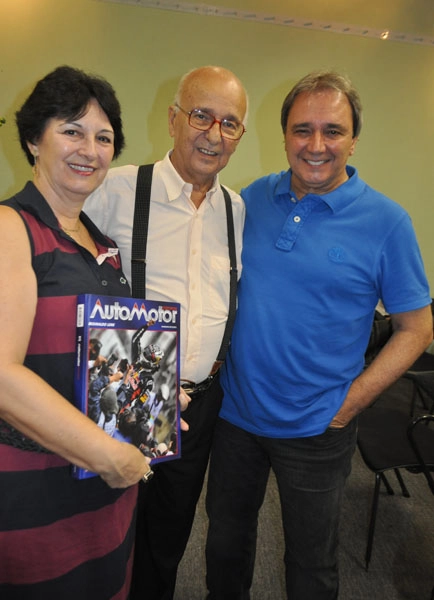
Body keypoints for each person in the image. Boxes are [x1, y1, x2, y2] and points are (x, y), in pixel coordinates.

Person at [205, 70, 433, 600]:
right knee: (225, 546)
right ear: (283, 134)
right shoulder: (251, 200)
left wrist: (350, 402)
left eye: (332, 130)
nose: (315, 145)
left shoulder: (387, 223)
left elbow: (417, 329)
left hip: (319, 428)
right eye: (302, 129)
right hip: (237, 417)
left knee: (311, 565)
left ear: (354, 139)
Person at [84, 65, 248, 599]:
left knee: (169, 535)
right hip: (134, 389)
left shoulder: (236, 208)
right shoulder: (116, 188)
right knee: (110, 527)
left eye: (230, 123)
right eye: (202, 115)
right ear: (174, 119)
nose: (213, 133)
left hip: (200, 401)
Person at [0, 65, 153, 600]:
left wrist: (154, 395)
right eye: (72, 129)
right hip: (35, 486)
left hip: (105, 489)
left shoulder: (102, 244)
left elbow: (112, 358)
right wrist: (108, 455)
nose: (90, 148)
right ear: (32, 139)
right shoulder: (11, 229)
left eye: (104, 137)